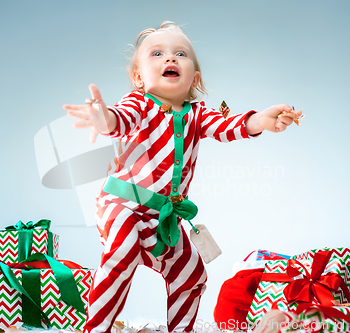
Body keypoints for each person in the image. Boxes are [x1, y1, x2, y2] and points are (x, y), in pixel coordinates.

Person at [64, 21, 302, 333]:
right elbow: (119, 120)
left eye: (180, 54)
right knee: (122, 251)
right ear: (139, 77)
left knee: (191, 275)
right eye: (157, 54)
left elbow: (226, 127)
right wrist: (103, 118)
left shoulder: (198, 114)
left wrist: (260, 120)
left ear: (195, 78)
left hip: (165, 218)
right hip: (123, 205)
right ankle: (96, 329)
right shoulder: (139, 104)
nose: (170, 59)